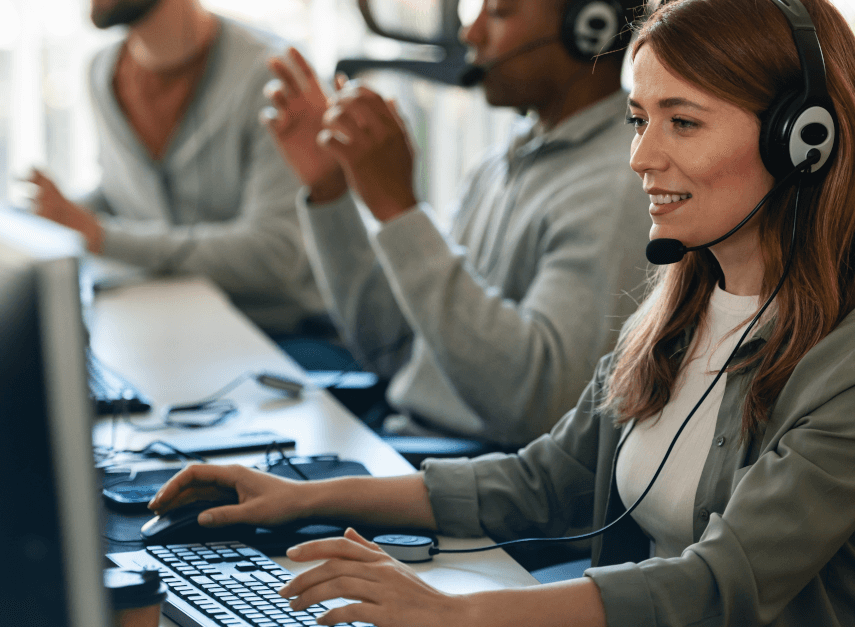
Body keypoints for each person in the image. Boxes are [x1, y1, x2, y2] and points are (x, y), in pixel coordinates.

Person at [147, 0, 855, 625]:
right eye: (639, 119)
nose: (640, 155)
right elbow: (545, 481)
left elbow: (719, 587)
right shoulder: (685, 303)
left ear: (800, 142)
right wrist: (302, 494)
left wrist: (454, 615)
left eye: (683, 121)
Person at [261, 0, 653, 447]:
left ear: (590, 28)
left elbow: (541, 407)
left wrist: (400, 212)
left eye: (500, 12)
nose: (472, 33)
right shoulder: (499, 166)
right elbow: (392, 347)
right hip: (408, 440)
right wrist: (331, 191)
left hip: (470, 473)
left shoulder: (620, 183)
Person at [29, 0, 325, 335]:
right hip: (167, 321)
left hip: (281, 334)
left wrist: (102, 237)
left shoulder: (271, 76)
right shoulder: (101, 71)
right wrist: (50, 219)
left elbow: (276, 254)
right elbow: (122, 194)